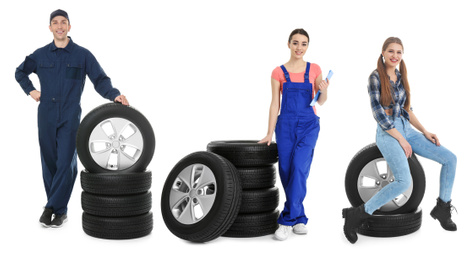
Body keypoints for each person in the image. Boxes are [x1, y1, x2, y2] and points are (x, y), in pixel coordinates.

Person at [15, 9, 129, 228]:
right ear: (50, 28)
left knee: (66, 163)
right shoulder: (39, 55)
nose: (59, 26)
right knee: (49, 163)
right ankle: (60, 211)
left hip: (69, 115)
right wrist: (31, 90)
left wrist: (114, 94)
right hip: (46, 114)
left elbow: (100, 79)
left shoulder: (82, 55)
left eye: (63, 22)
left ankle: (50, 208)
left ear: (69, 26)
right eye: (55, 23)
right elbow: (20, 72)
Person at [342, 37, 457, 244]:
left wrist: (424, 130)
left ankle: (442, 208)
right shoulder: (375, 77)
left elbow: (406, 109)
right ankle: (357, 215)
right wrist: (401, 140)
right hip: (388, 132)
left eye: (399, 52)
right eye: (391, 51)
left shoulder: (401, 75)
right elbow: (379, 115)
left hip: (406, 129)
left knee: (450, 159)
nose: (395, 56)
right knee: (404, 181)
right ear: (383, 53)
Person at [259, 28, 329, 241]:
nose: (300, 47)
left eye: (304, 43)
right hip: (285, 125)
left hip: (308, 124)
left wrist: (324, 89)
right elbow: (274, 104)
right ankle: (299, 216)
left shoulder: (314, 69)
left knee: (299, 167)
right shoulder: (278, 72)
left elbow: (321, 101)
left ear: (308, 46)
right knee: (287, 171)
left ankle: (286, 220)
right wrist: (269, 132)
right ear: (288, 44)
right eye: (296, 43)